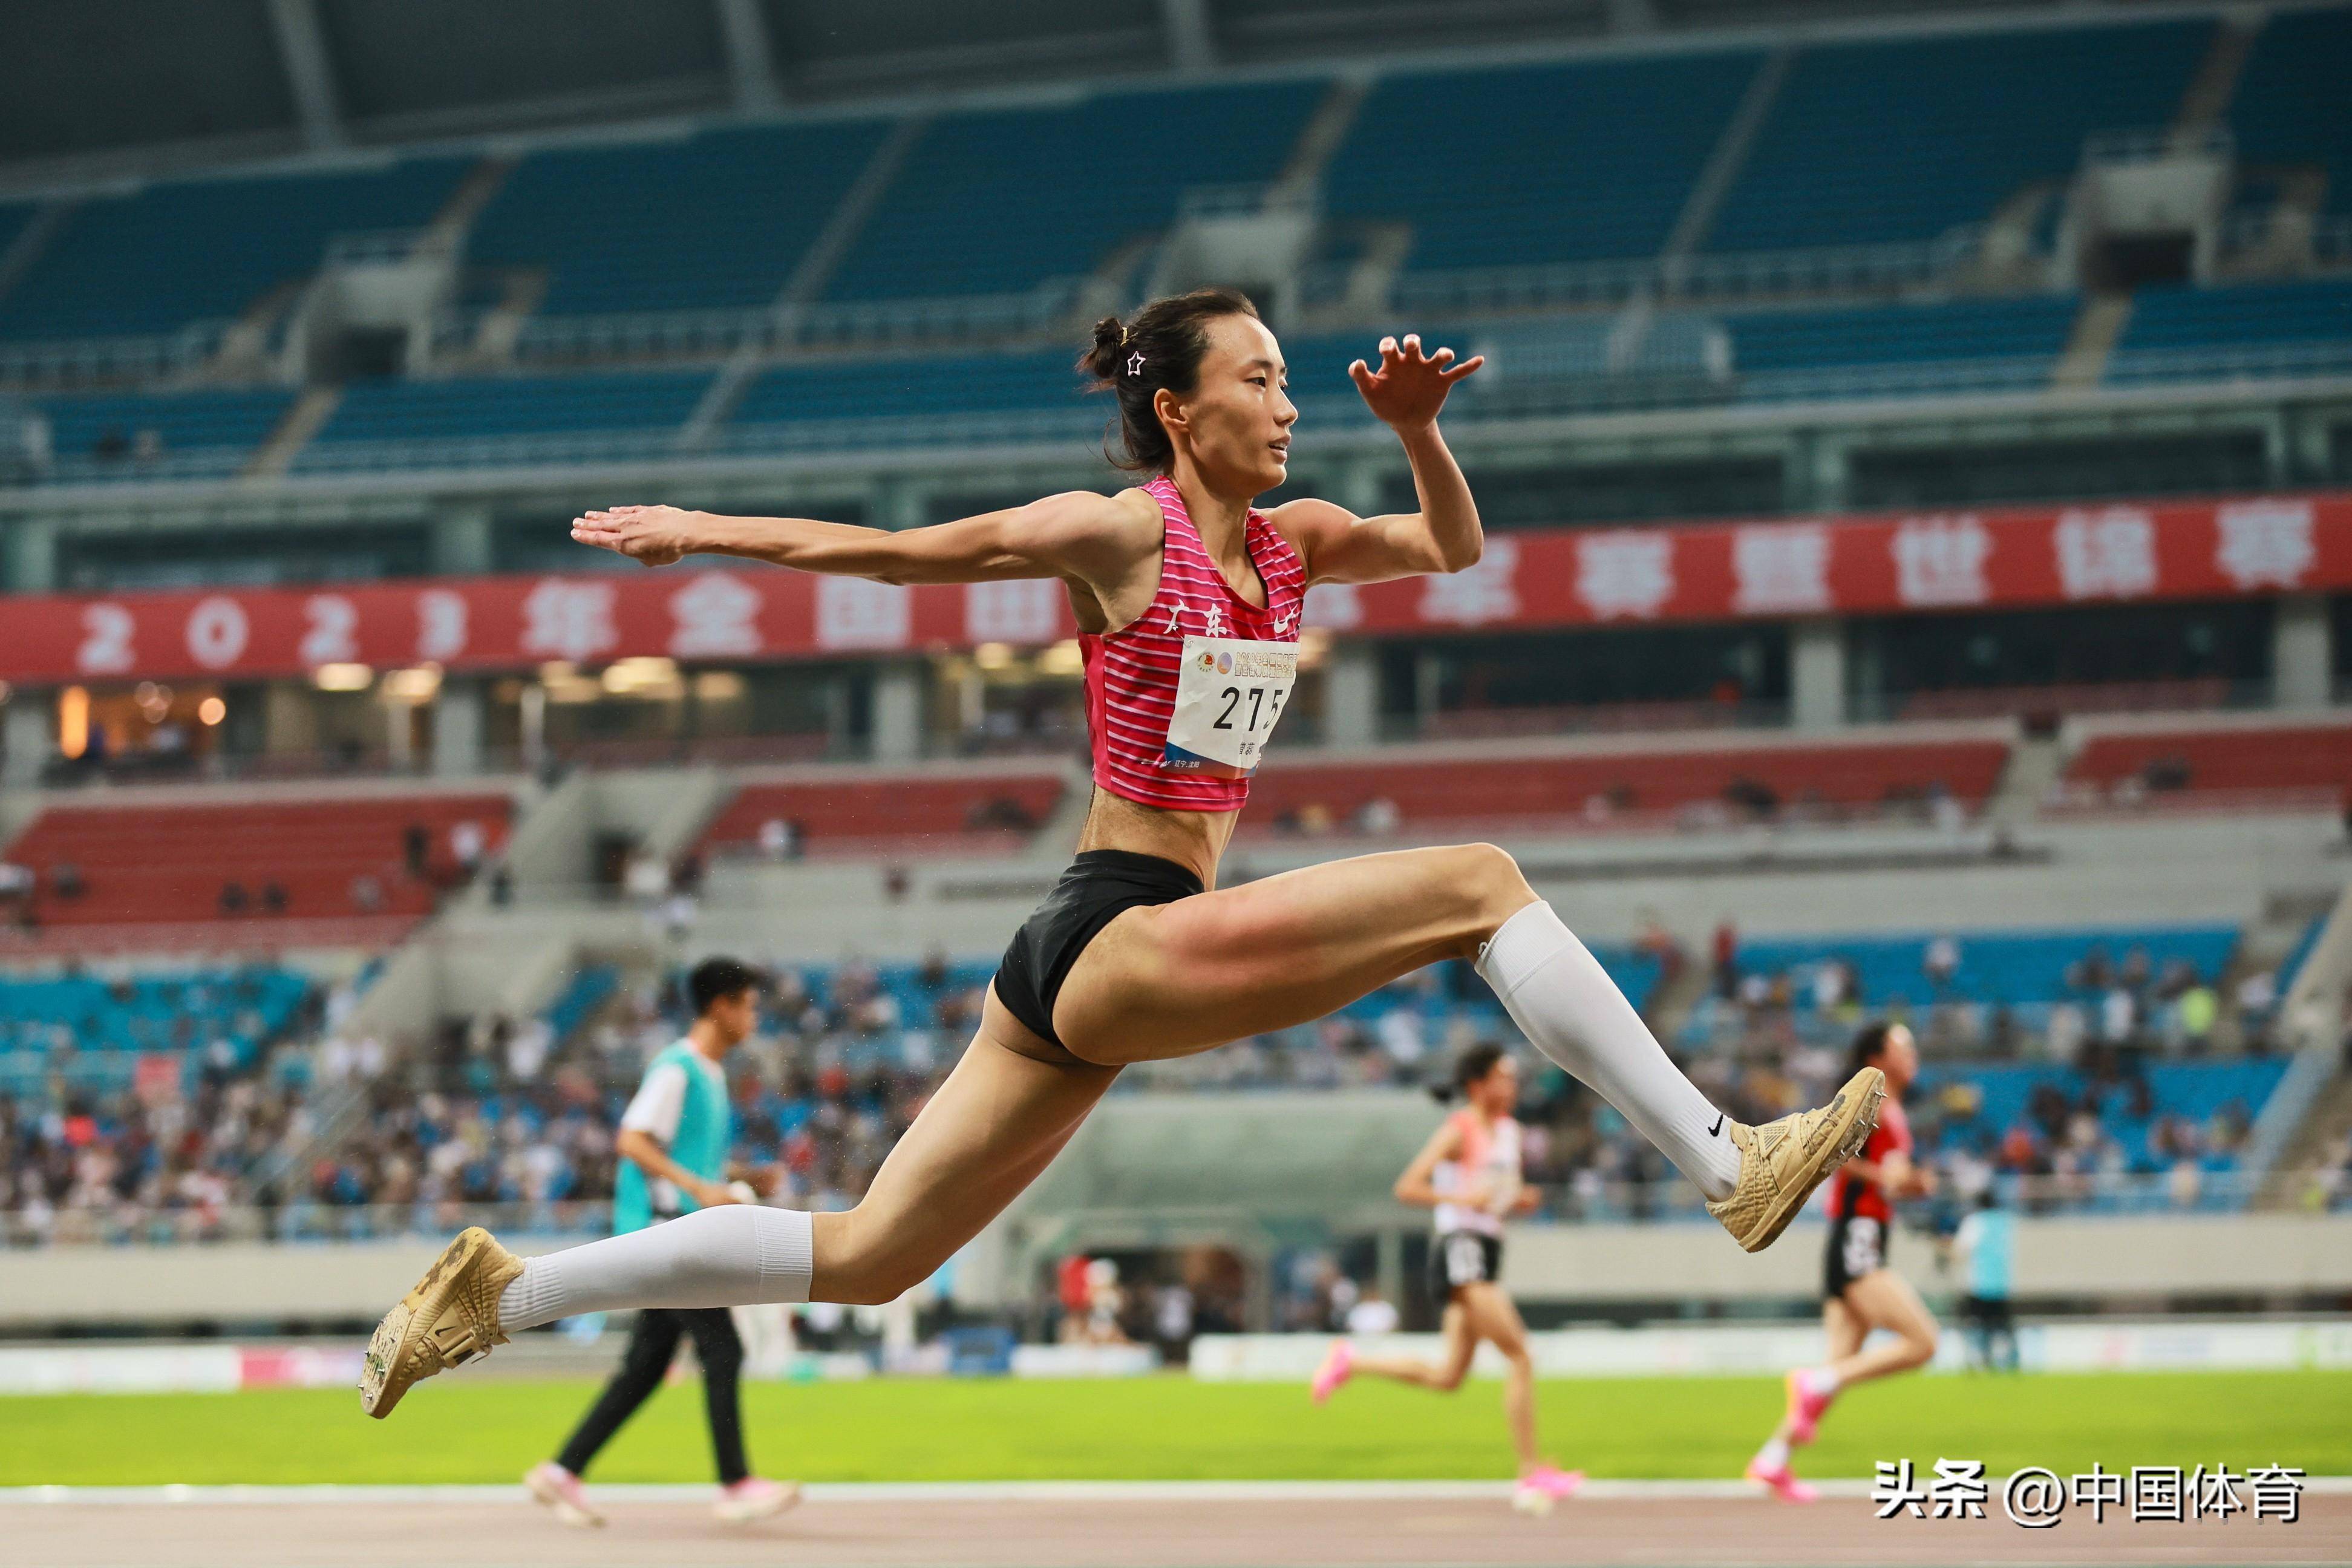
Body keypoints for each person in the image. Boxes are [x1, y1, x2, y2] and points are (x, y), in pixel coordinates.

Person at [361, 288, 1885, 1420]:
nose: (1291, 404)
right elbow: (911, 556)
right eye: (1263, 379)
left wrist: (1420, 435)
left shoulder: (1299, 541)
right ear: (1179, 408)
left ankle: (503, 1292)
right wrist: (705, 526)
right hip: (1114, 929)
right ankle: (1722, 1159)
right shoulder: (1119, 531)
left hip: (1087, 962)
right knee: (1478, 882)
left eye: (1295, 381)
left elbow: (1452, 549)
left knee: (874, 1251)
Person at [521, 958, 799, 1529]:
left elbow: (685, 1155)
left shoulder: (710, 1074)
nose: (754, 1016)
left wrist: (741, 1175)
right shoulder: (677, 1069)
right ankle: (737, 1484)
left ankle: (561, 1472)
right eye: (748, 1004)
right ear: (720, 1007)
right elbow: (632, 1141)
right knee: (723, 1349)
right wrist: (701, 1188)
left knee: (646, 1366)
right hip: (663, 1235)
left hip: (677, 1228)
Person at [1309, 1044, 1584, 1514]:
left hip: (1487, 1249)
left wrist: (1517, 1202)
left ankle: (1350, 1361)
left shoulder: (1511, 1132)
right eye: (1504, 1077)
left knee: (1447, 1376)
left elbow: (1499, 1195)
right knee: (1519, 1354)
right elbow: (1408, 1187)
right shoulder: (1460, 1130)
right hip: (1461, 1247)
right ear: (1478, 1085)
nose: (1513, 1086)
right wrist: (1463, 1198)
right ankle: (1530, 1472)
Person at [1746, 1021, 1936, 1503]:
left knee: (1839, 1364)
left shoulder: (1887, 1110)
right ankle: (1814, 1383)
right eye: (1904, 1045)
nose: (1913, 1054)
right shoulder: (1872, 1103)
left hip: (1857, 1236)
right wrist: (1894, 1178)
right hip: (1858, 1238)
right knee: (1922, 1342)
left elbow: (1883, 1176)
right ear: (1878, 1055)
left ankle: (1773, 1458)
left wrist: (1907, 1182)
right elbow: (1834, 1158)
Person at [1949, 1189, 2017, 1372]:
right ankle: (2012, 1361)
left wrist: (1944, 1245)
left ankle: (1979, 1362)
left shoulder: (1975, 1222)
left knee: (1977, 1325)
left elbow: (1960, 1251)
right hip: (2001, 1284)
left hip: (1979, 1284)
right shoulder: (2004, 1222)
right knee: (2003, 1326)